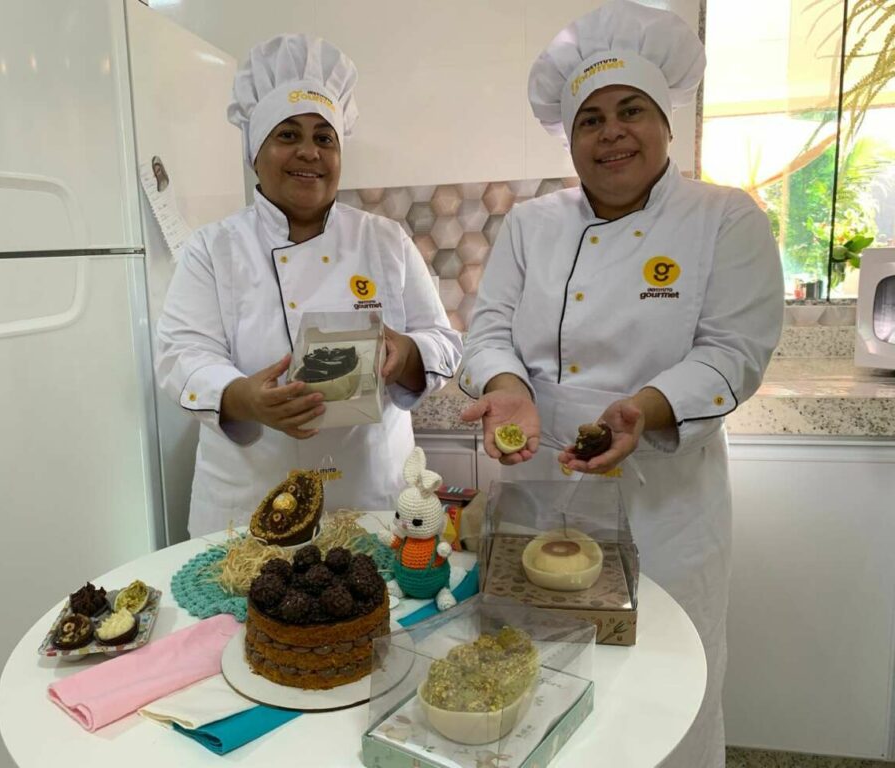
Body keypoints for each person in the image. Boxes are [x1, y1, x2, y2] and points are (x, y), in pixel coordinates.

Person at [458, 2, 783, 765]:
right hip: (540, 485)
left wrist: (645, 407)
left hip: (663, 504)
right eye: (591, 119)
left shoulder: (723, 218)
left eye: (630, 110)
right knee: (541, 677)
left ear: (665, 122)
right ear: (571, 139)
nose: (611, 133)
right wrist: (508, 386)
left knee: (664, 687)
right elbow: (488, 330)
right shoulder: (531, 224)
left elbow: (734, 351)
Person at [156, 34, 461, 538]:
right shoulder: (213, 248)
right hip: (250, 501)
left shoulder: (384, 240)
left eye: (324, 138)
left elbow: (444, 343)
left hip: (369, 498)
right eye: (287, 135)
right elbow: (180, 355)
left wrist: (406, 353)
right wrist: (243, 397)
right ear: (255, 153)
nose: (309, 152)